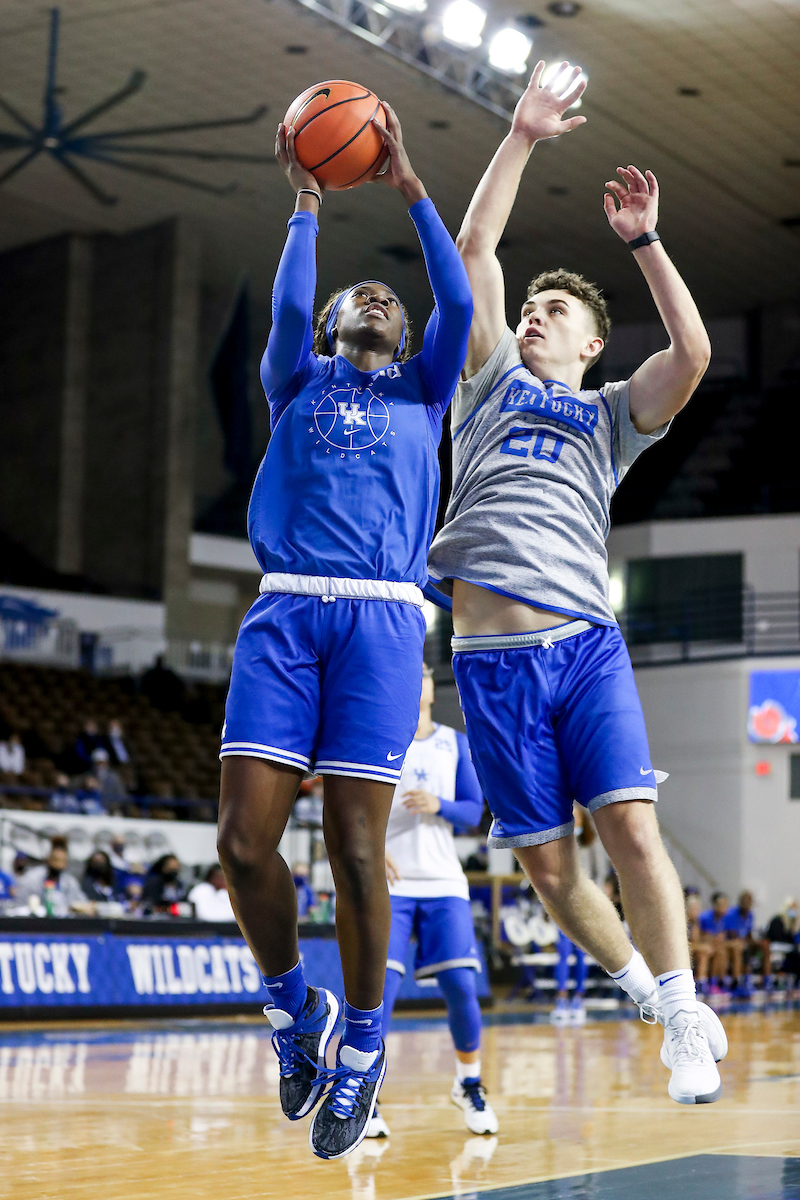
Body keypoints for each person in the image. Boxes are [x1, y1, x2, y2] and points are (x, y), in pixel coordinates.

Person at [425, 61, 726, 1105]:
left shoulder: (608, 418)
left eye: (552, 310)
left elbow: (691, 353)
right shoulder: (487, 381)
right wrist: (520, 136)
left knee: (631, 828)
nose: (533, 318)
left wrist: (644, 243)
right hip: (488, 661)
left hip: (583, 644)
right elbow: (474, 249)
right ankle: (654, 1000)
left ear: (593, 343)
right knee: (550, 872)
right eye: (530, 307)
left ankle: (682, 1013)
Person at [215, 104, 471, 1161]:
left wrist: (409, 185)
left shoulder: (423, 388)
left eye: (390, 300)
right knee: (242, 844)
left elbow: (458, 297)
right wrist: (307, 207)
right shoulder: (298, 382)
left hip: (381, 621)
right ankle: (295, 1012)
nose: (379, 299)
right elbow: (284, 310)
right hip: (284, 610)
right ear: (328, 327)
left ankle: (362, 1052)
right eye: (358, 295)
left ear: (407, 338)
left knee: (358, 852)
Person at [367, 663, 496, 1139]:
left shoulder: (455, 743)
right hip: (392, 883)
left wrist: (438, 804)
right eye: (411, 672)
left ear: (432, 689)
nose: (417, 679)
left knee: (461, 985)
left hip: (444, 881)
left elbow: (473, 811)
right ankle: (365, 1092)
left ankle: (469, 1083)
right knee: (379, 992)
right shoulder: (377, 737)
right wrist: (370, 849)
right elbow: (352, 809)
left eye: (424, 673)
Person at [15, 837, 92, 916]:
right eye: (55, 861)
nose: (57, 866)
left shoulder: (69, 881)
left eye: (62, 862)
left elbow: (82, 903)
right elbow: (20, 905)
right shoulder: (31, 879)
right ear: (48, 860)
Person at [723, 890, 771, 998]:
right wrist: (746, 942)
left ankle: (767, 981)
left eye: (749, 902)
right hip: (732, 944)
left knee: (765, 945)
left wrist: (758, 943)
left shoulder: (750, 915)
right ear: (740, 902)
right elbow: (731, 935)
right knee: (741, 947)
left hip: (744, 942)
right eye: (745, 902)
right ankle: (740, 982)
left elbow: (749, 935)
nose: (748, 904)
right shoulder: (731, 914)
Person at [685, 890, 715, 992]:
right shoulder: (682, 922)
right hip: (681, 950)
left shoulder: (696, 922)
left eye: (698, 908)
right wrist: (701, 947)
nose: (697, 911)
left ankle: (702, 984)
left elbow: (696, 940)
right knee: (701, 950)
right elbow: (683, 945)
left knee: (705, 953)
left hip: (691, 949)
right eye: (695, 908)